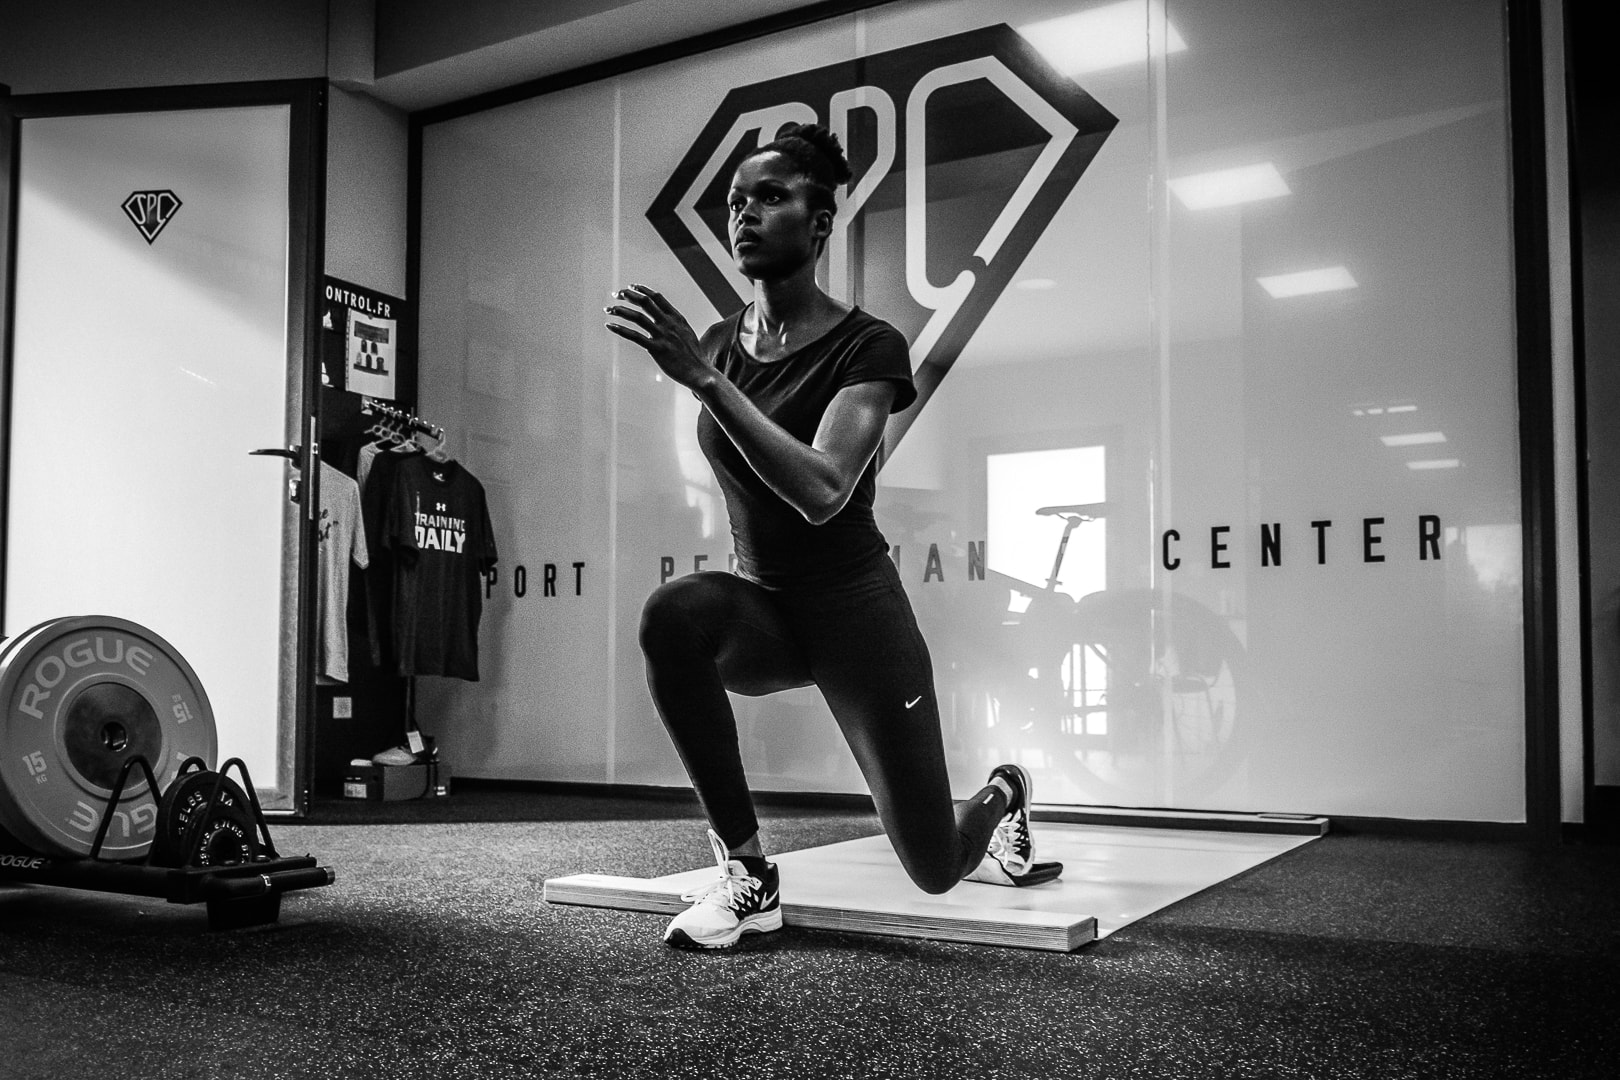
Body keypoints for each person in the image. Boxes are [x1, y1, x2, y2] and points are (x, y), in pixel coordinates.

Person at [604, 122, 1061, 951]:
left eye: (770, 197)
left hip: (856, 618)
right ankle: (749, 875)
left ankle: (1002, 795)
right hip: (770, 614)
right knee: (672, 613)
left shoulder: (868, 346)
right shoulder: (719, 343)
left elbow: (822, 489)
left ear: (819, 223)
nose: (745, 214)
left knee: (935, 865)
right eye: (735, 201)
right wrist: (706, 372)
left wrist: (704, 381)